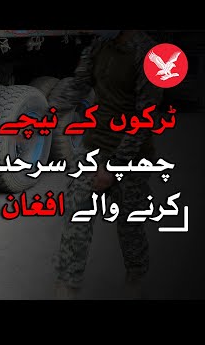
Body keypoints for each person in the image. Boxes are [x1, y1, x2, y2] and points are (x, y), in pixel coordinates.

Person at [53, 30, 164, 299]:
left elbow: (146, 118)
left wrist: (114, 167)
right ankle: (67, 285)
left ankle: (135, 277)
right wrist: (48, 111)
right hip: (95, 147)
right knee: (76, 216)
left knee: (129, 226)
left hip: (132, 157)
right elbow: (79, 85)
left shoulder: (149, 56)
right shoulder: (99, 46)